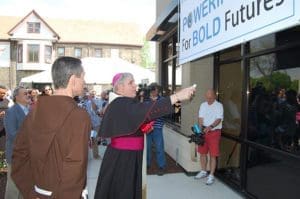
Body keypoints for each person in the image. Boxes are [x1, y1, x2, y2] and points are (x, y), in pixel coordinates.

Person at [94, 72, 196, 199]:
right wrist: (177, 96)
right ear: (119, 88)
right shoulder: (120, 102)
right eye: (130, 83)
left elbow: (132, 123)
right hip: (123, 159)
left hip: (128, 156)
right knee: (122, 191)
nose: (135, 85)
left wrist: (143, 129)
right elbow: (146, 110)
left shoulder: (123, 103)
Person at [11, 56, 91, 198]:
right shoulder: (79, 115)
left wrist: (30, 192)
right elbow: (75, 165)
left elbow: (19, 155)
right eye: (83, 77)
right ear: (73, 80)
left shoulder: (34, 112)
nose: (84, 82)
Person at [4, 86, 30, 199]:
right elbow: (12, 134)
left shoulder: (30, 111)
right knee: (13, 187)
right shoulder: (11, 111)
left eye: (28, 93)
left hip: (28, 156)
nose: (28, 95)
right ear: (16, 97)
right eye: (25, 93)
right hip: (16, 155)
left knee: (25, 186)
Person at [194, 89, 223, 185]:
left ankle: (211, 175)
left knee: (213, 155)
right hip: (203, 132)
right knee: (202, 153)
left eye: (210, 97)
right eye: (207, 97)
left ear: (215, 96)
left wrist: (210, 127)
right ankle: (203, 171)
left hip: (214, 132)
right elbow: (200, 118)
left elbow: (219, 119)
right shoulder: (203, 105)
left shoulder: (219, 106)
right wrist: (199, 131)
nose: (208, 99)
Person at [146, 83, 167, 175]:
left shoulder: (162, 100)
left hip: (157, 127)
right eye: (153, 90)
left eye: (156, 90)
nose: (155, 92)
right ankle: (147, 164)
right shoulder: (146, 100)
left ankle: (161, 166)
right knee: (147, 148)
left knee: (159, 148)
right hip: (147, 128)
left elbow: (165, 112)